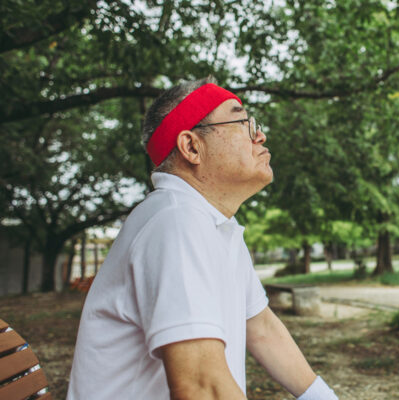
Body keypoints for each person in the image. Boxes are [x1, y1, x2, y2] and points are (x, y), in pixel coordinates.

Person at [66, 77, 339, 400]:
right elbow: (199, 385)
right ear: (192, 147)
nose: (261, 135)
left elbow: (261, 328)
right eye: (244, 123)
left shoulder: (213, 223)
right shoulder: (174, 220)